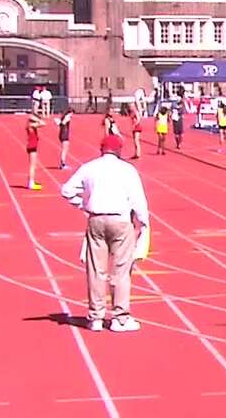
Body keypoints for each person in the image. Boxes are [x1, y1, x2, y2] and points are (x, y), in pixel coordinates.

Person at [60, 134, 149, 333]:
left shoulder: (89, 167)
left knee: (96, 270)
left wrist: (83, 204)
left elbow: (66, 190)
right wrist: (143, 223)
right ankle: (120, 317)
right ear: (119, 150)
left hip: (96, 220)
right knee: (121, 270)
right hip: (120, 221)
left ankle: (96, 317)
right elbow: (138, 200)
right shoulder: (127, 170)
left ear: (101, 149)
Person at [25, 113, 45, 191]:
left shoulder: (30, 125)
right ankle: (31, 183)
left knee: (33, 165)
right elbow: (43, 123)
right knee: (32, 166)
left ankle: (31, 181)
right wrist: (38, 119)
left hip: (32, 145)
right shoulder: (31, 125)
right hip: (32, 146)